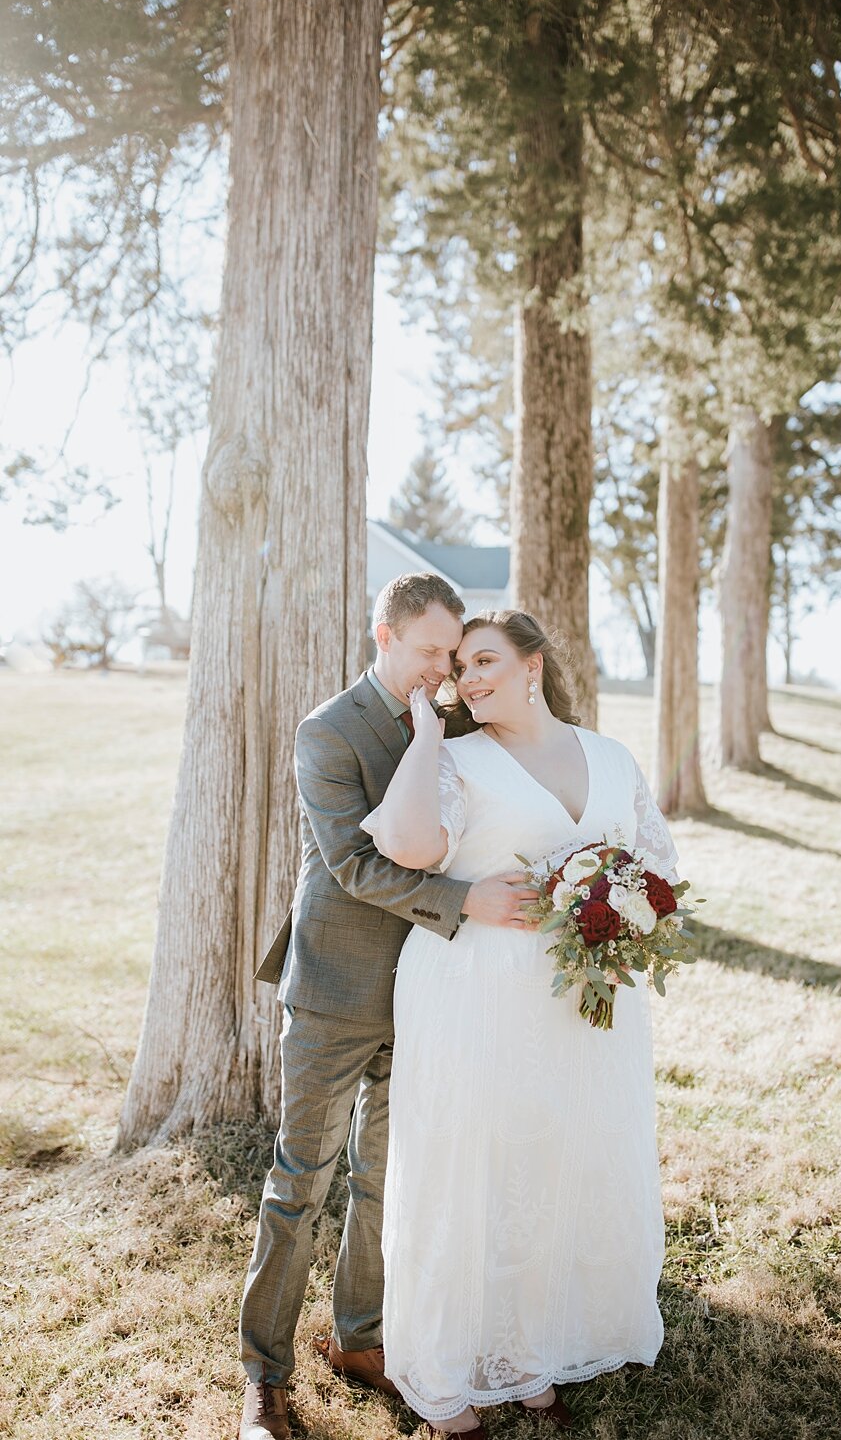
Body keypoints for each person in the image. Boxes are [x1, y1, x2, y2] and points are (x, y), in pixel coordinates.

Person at [360, 609, 679, 1438]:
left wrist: (620, 900)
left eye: (486, 660)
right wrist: (427, 732)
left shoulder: (611, 757)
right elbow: (406, 843)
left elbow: (659, 867)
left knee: (556, 1164)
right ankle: (445, 1381)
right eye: (459, 667)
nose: (468, 678)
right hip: (475, 992)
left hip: (584, 1002)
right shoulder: (457, 758)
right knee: (469, 1168)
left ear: (534, 664)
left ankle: (531, 1359)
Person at [237, 576, 538, 1440]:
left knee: (384, 1184)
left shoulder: (458, 727)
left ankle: (364, 1342)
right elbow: (354, 868)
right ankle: (264, 1376)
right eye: (431, 652)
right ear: (385, 637)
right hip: (334, 990)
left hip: (427, 995)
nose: (445, 670)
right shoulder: (328, 732)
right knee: (300, 1184)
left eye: (454, 655)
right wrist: (465, 901)